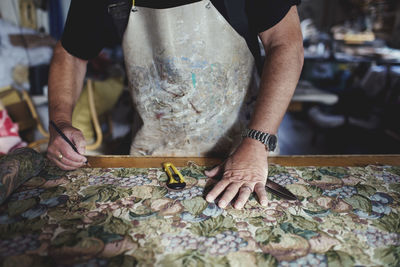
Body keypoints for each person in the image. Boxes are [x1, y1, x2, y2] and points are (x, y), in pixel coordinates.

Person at [47, 0, 304, 210]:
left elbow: (285, 43)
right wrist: (60, 121)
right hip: (154, 155)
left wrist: (256, 141)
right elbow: (70, 53)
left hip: (245, 155)